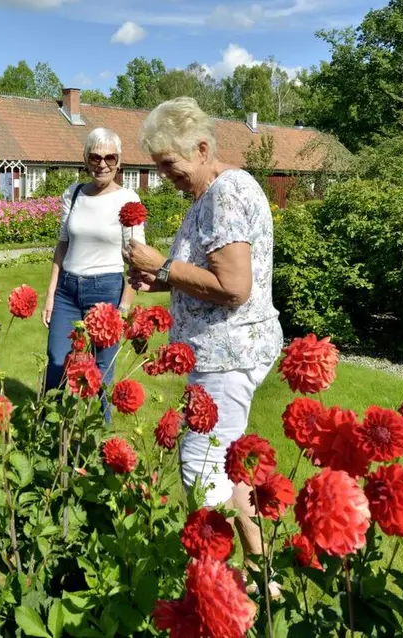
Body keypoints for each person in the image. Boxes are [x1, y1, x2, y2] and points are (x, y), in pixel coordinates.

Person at [123, 97, 282, 576]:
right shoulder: (207, 195)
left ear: (201, 147)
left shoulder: (226, 194)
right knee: (231, 464)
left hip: (227, 355)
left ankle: (214, 582)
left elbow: (234, 287)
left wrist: (165, 265)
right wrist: (165, 278)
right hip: (220, 353)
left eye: (169, 165)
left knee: (201, 469)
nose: (166, 176)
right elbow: (205, 273)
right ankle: (260, 576)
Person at [42, 128, 144, 423]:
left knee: (102, 371)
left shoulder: (128, 199)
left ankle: (100, 439)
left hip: (107, 290)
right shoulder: (73, 194)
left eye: (109, 157)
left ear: (119, 161)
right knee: (57, 361)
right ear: (86, 159)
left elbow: (137, 258)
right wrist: (50, 294)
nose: (102, 164)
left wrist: (124, 307)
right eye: (95, 157)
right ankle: (53, 432)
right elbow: (62, 245)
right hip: (67, 291)